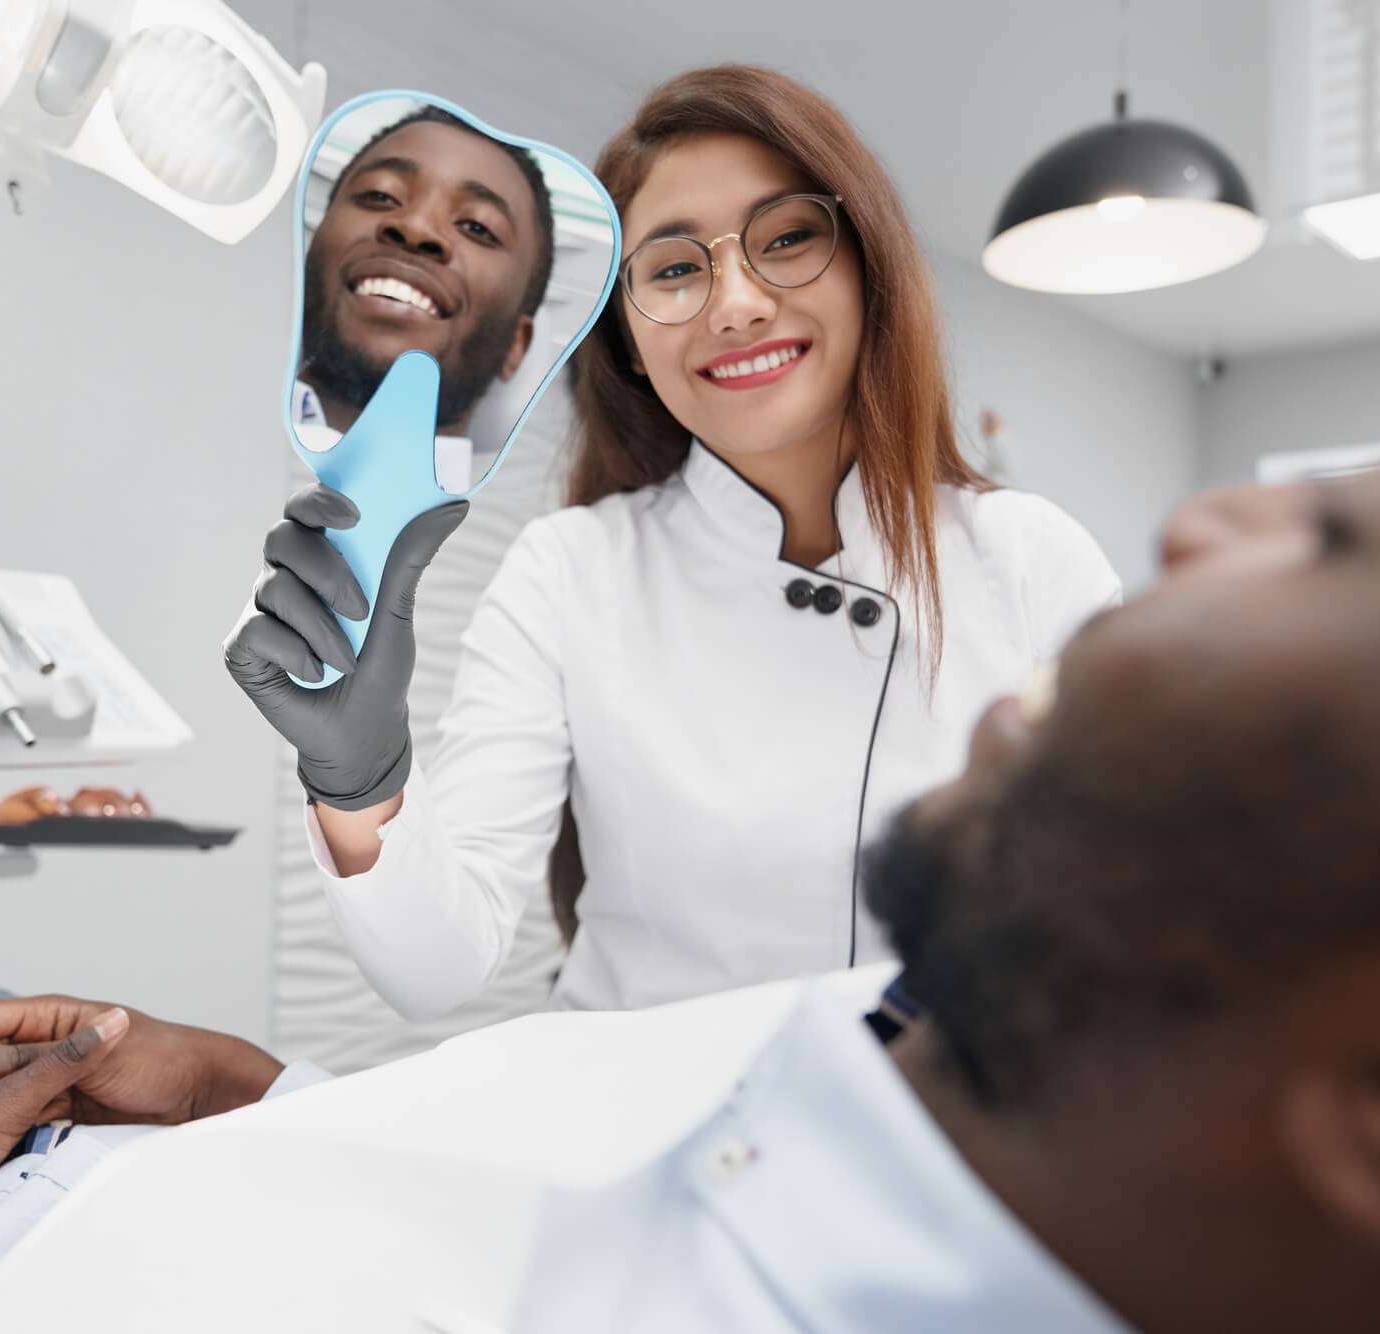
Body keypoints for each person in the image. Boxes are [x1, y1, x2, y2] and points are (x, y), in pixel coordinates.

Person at [0, 358, 1380, 1333]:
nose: (1201, 530)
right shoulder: (982, 1024)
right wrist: (264, 1088)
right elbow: (522, 1084)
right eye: (672, 262)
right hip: (184, 1139)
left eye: (1362, 536)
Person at [225, 65, 1122, 1022]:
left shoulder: (1028, 559)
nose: (734, 303)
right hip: (634, 1132)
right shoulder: (570, 571)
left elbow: (1128, 903)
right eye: (675, 268)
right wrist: (361, 784)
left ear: (872, 273)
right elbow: (437, 971)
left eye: (787, 241)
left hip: (935, 1137)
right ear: (629, 341)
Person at [291, 103, 556, 493]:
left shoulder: (536, 551)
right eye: (380, 195)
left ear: (517, 346)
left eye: (476, 227)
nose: (414, 228)